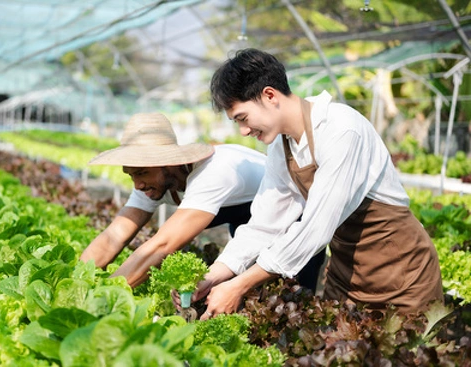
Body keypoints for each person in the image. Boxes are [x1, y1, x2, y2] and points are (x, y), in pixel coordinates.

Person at [192, 48, 443, 319]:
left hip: (404, 278)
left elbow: (315, 228)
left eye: (242, 118)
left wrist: (240, 285)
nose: (243, 130)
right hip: (347, 277)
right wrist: (215, 274)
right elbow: (265, 224)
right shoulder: (281, 145)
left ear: (269, 95)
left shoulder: (341, 129)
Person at [79, 112, 327, 288]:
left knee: (292, 292)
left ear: (168, 162)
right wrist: (77, 280)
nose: (137, 184)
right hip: (248, 222)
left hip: (296, 218)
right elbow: (115, 235)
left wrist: (109, 294)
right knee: (242, 285)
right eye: (131, 175)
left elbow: (162, 245)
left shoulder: (215, 172)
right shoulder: (152, 181)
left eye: (141, 173)